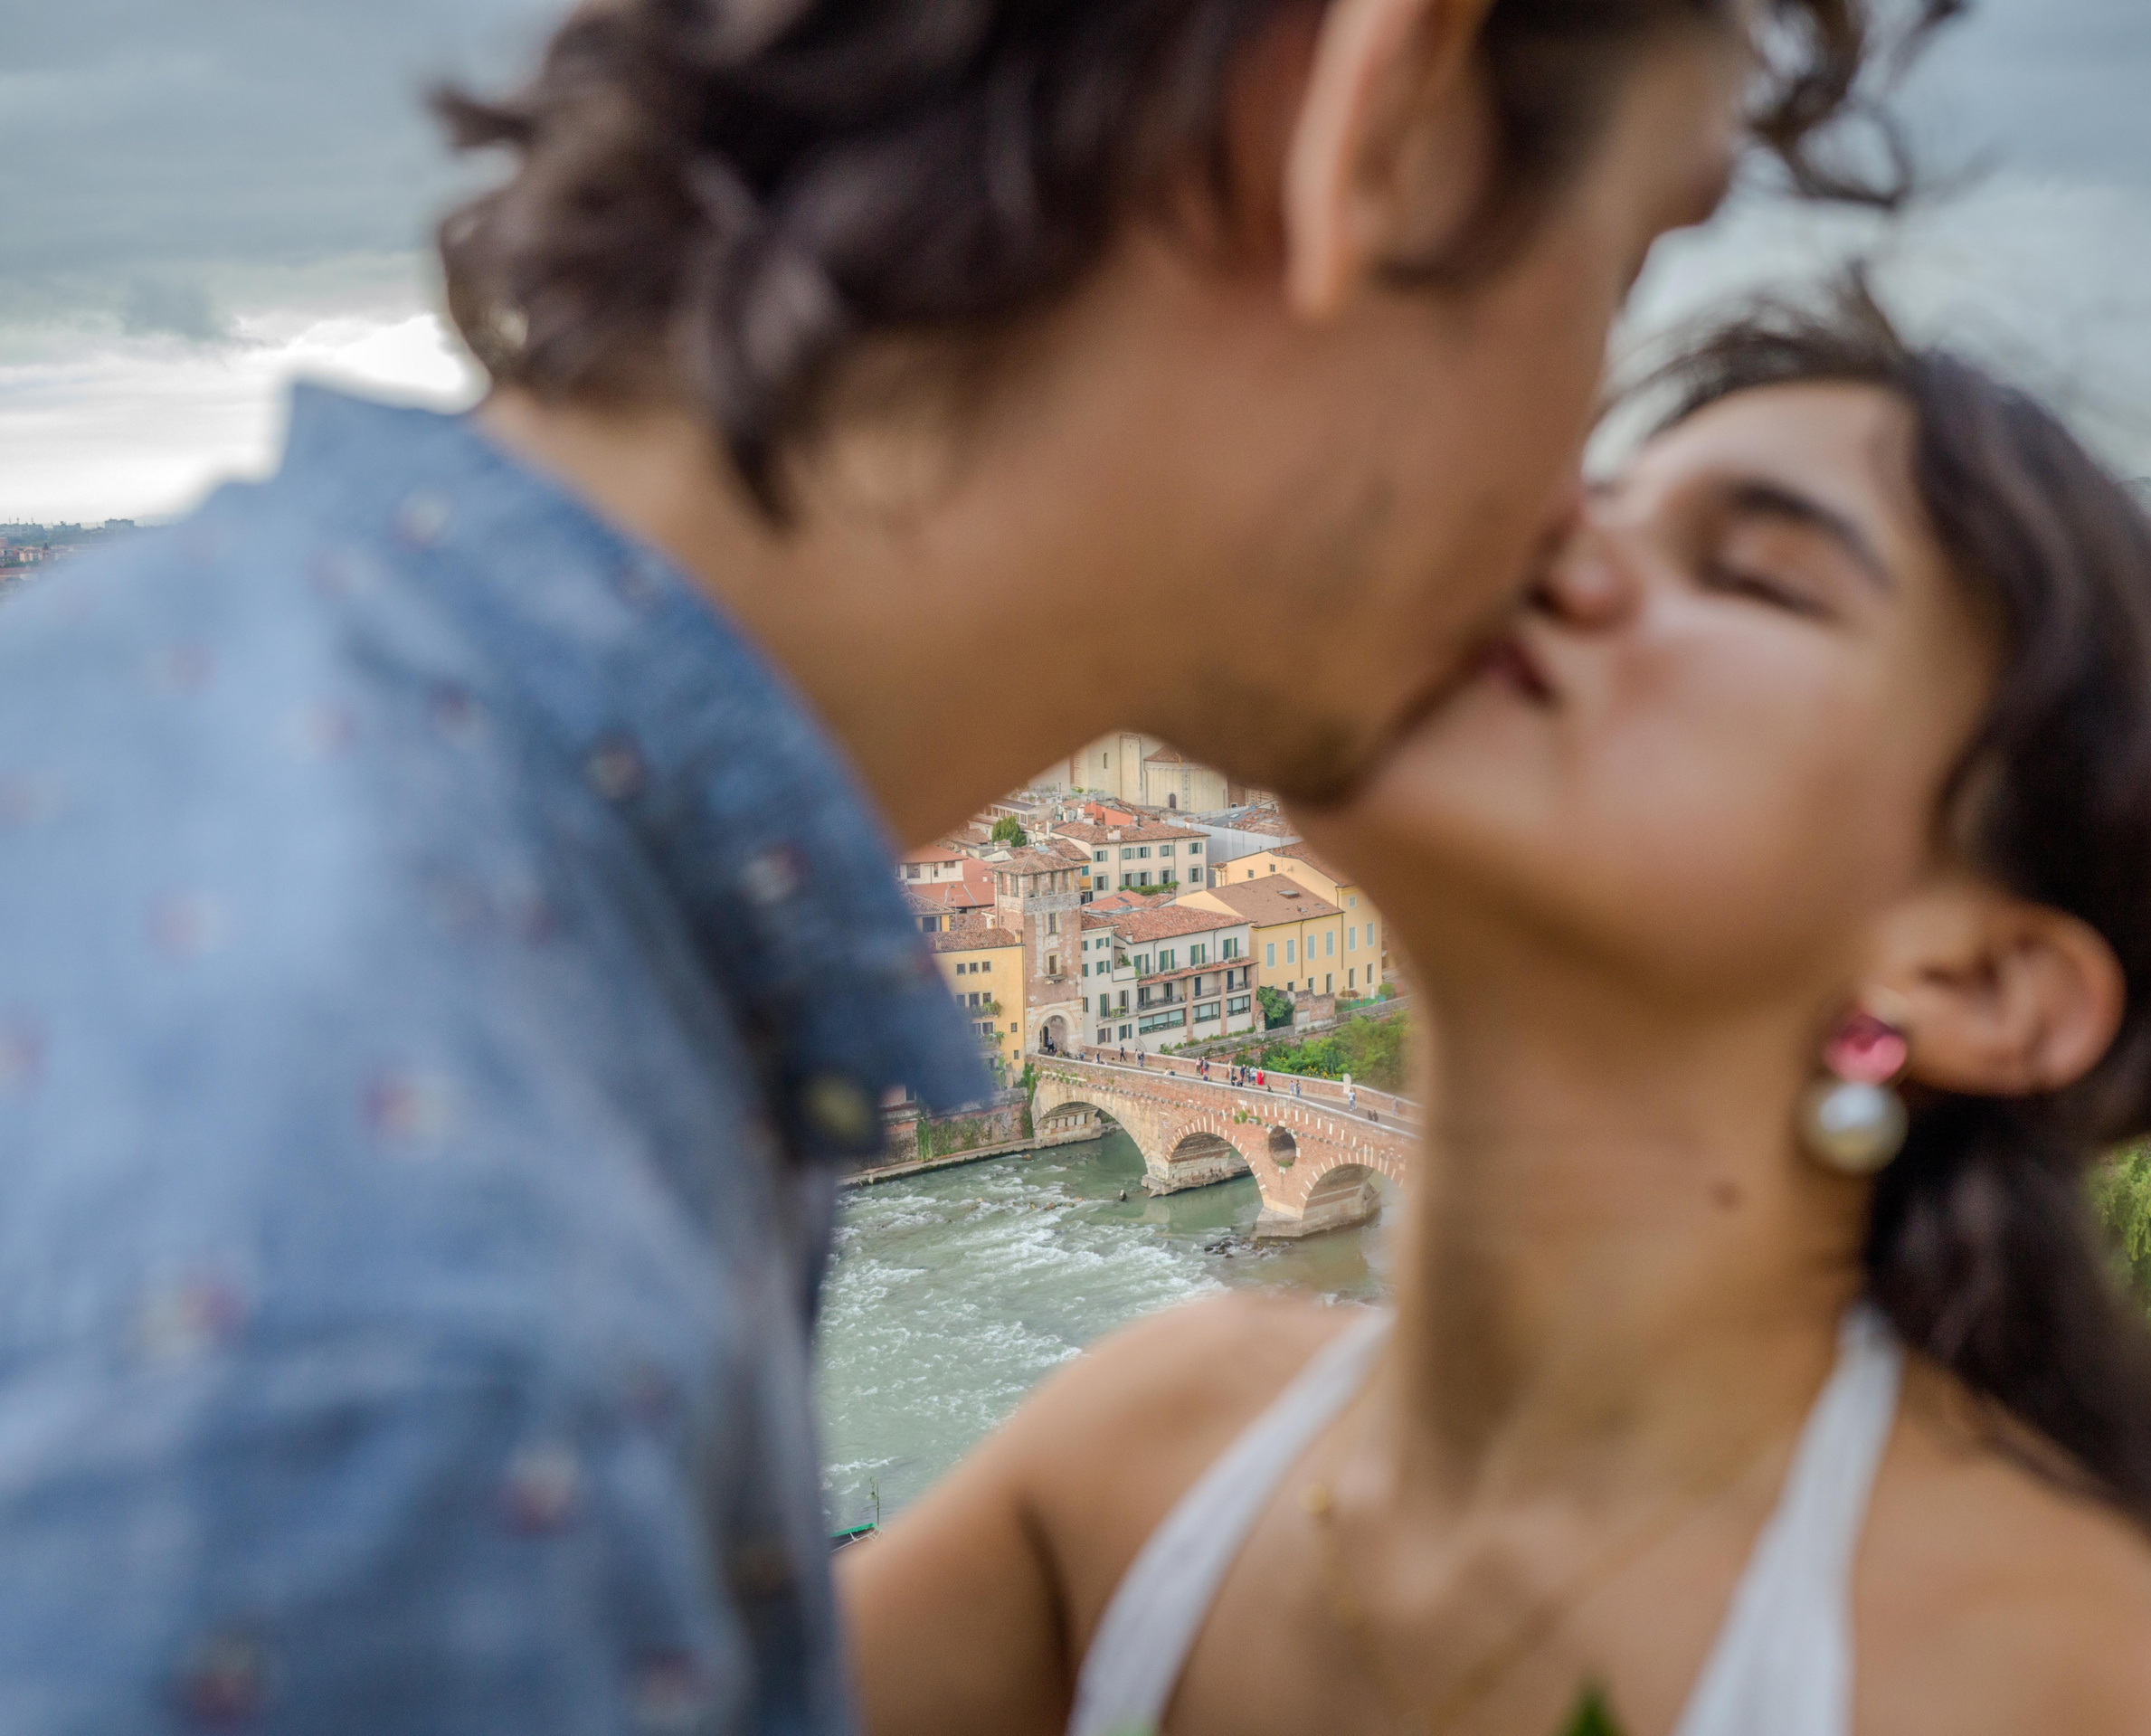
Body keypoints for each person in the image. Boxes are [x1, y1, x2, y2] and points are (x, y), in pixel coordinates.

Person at [0, 1, 1895, 1724]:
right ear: (1369, 121)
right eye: (1625, 266)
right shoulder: (438, 1358)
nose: (1576, 524)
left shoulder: (194, 709)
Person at [840, 299, 2151, 1733]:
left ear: (1971, 982)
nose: (1550, 545)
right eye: (1600, 500)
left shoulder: (2130, 1697)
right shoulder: (1141, 1450)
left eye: (1752, 573)